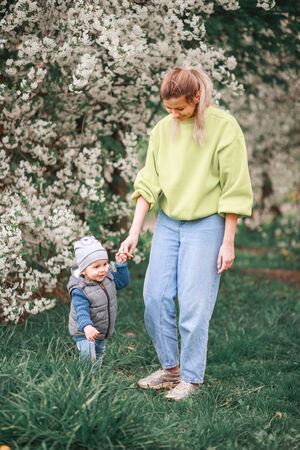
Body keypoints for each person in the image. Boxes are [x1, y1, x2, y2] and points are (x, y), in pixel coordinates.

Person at [119, 67, 253, 400]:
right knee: (154, 297)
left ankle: (191, 379)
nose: (174, 115)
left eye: (180, 108)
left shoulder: (224, 128)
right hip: (168, 222)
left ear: (197, 97)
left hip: (207, 224)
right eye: (169, 109)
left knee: (193, 305)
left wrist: (228, 241)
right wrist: (134, 232)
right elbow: (149, 182)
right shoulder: (163, 130)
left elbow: (234, 187)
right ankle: (170, 370)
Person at [68, 236, 130, 369]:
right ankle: (86, 379)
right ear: (83, 270)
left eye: (105, 264)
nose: (102, 269)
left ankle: (96, 377)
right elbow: (81, 311)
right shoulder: (80, 289)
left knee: (99, 352)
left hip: (102, 329)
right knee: (89, 356)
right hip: (84, 331)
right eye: (96, 267)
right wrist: (86, 326)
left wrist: (121, 265)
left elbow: (123, 282)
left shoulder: (107, 277)